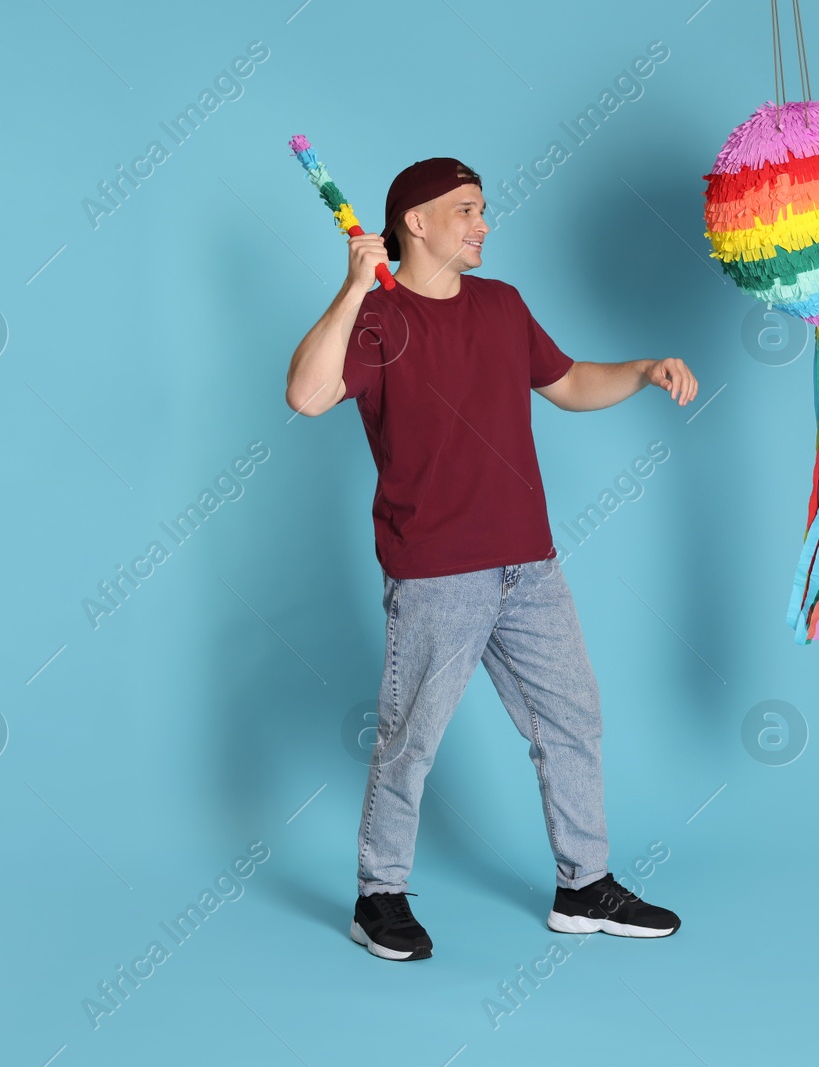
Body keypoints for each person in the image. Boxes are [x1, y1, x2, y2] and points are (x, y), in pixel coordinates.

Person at [285, 156, 697, 961]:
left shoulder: (503, 305)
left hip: (529, 565)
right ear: (417, 222)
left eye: (483, 209)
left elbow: (570, 381)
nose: (482, 224)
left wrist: (643, 370)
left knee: (574, 717)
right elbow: (305, 395)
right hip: (436, 573)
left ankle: (584, 886)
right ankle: (379, 897)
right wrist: (349, 289)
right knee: (412, 738)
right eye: (468, 210)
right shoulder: (375, 318)